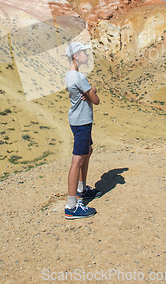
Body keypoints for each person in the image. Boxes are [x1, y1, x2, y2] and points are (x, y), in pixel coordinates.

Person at [64, 41, 101, 219]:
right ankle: (72, 206)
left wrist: (89, 92)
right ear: (76, 56)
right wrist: (92, 90)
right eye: (84, 52)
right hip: (82, 122)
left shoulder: (70, 75)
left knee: (87, 151)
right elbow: (96, 100)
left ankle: (82, 189)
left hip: (79, 121)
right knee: (77, 160)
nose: (87, 55)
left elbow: (88, 95)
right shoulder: (79, 78)